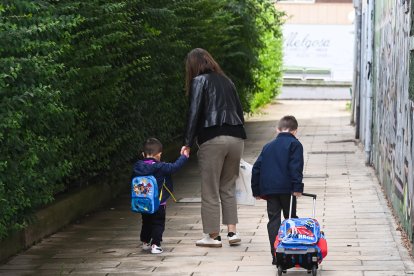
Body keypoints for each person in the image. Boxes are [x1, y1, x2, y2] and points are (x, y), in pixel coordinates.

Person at [181, 48, 246, 247]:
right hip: (236, 138)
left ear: (193, 65)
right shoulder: (227, 81)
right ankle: (232, 234)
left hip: (213, 138)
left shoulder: (198, 81)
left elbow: (194, 113)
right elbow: (240, 112)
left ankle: (212, 236)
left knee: (209, 189)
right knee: (228, 187)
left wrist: (187, 143)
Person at [251, 115, 304, 265]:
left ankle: (276, 255)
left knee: (273, 221)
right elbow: (296, 168)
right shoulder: (295, 145)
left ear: (277, 130)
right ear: (295, 131)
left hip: (270, 190)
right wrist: (297, 188)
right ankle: (291, 251)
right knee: (291, 219)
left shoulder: (268, 146)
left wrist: (256, 191)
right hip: (288, 190)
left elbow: (256, 168)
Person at [133, 138, 189, 254]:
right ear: (159, 155)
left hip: (144, 202)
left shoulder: (138, 167)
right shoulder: (161, 166)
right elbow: (175, 167)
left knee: (146, 222)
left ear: (143, 154)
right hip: (159, 202)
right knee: (158, 223)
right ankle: (156, 244)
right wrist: (183, 156)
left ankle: (145, 242)